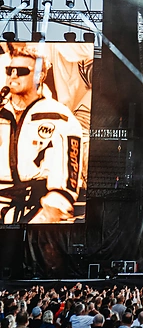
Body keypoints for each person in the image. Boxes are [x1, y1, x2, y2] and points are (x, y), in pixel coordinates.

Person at [0, 46, 85, 224]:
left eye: (22, 71)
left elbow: (64, 186)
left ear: (39, 76)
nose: (13, 76)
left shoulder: (60, 118)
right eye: (10, 70)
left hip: (33, 213)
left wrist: (44, 218)